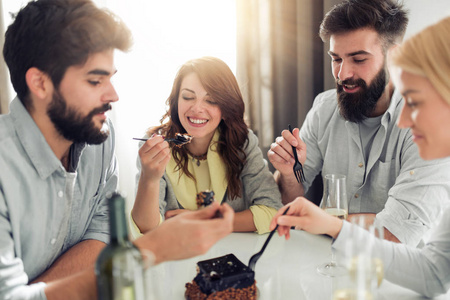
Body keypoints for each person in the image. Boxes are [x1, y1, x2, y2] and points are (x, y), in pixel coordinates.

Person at [0, 1, 234, 299]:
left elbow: (102, 234)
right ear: (40, 83)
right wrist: (150, 250)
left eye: (111, 77)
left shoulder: (100, 138)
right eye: (96, 80)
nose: (113, 95)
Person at [271, 16, 450, 297]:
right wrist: (288, 172)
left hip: (393, 284)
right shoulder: (324, 108)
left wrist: (327, 222)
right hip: (327, 266)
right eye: (336, 59)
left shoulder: (429, 141)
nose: (342, 74)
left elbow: (396, 235)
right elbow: (436, 275)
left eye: (358, 59)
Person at [131, 56, 282, 235]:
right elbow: (146, 229)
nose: (197, 109)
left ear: (226, 108)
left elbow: (271, 211)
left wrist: (205, 221)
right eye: (188, 97)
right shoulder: (154, 146)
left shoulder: (242, 142)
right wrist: (149, 178)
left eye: (211, 100)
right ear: (176, 101)